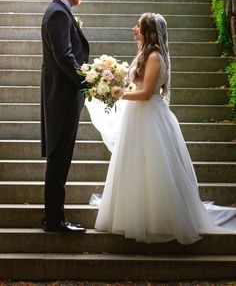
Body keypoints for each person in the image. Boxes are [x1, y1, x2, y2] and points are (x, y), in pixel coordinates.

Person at [86, 13, 236, 244]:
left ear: (148, 31)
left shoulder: (154, 57)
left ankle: (158, 220)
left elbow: (146, 93)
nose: (133, 28)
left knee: (154, 165)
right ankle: (131, 215)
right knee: (133, 164)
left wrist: (119, 94)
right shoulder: (144, 54)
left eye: (138, 26)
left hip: (149, 116)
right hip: (135, 116)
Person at [41, 0, 90, 232]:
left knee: (60, 159)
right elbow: (64, 56)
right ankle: (54, 220)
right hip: (61, 99)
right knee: (59, 159)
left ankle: (53, 217)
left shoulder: (59, 13)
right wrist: (89, 81)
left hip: (61, 96)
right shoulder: (58, 13)